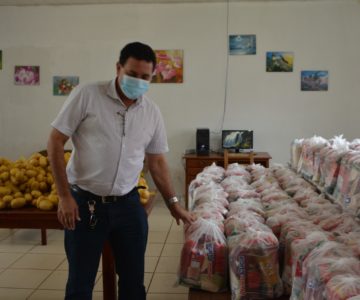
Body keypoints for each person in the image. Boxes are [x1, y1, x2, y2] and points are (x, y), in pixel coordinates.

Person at [47, 41, 195, 300]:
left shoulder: (151, 112)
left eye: (145, 77)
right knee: (80, 285)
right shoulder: (88, 95)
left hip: (128, 206)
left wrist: (173, 203)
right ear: (118, 68)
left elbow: (157, 162)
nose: (138, 81)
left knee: (133, 284)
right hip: (85, 205)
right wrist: (64, 196)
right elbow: (55, 141)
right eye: (132, 74)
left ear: (152, 77)